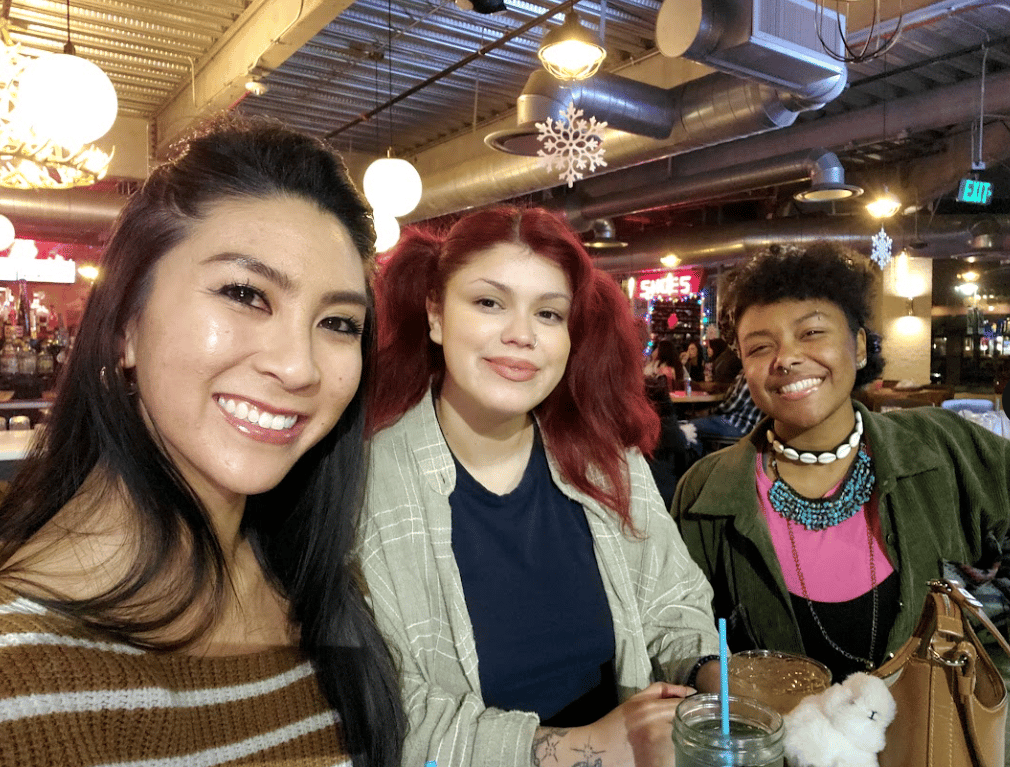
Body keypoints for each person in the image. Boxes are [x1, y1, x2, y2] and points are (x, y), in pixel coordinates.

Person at [0, 118, 405, 767]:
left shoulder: (323, 581)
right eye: (245, 294)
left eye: (337, 322)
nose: (298, 367)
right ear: (127, 324)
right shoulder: (19, 670)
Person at [361, 206, 720, 767]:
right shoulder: (366, 484)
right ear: (435, 315)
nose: (522, 335)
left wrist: (711, 675)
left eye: (549, 314)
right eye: (489, 303)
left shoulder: (606, 459)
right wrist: (584, 747)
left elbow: (672, 602)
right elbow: (378, 709)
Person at [673, 242, 1010, 682]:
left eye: (812, 333)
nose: (786, 358)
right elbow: (684, 631)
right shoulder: (705, 492)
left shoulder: (945, 446)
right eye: (759, 347)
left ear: (860, 345)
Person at [688, 369, 764, 454]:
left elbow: (732, 405)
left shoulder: (750, 372)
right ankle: (705, 458)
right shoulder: (759, 372)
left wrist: (709, 412)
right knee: (692, 427)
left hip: (737, 425)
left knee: (688, 427)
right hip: (747, 427)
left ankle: (701, 460)